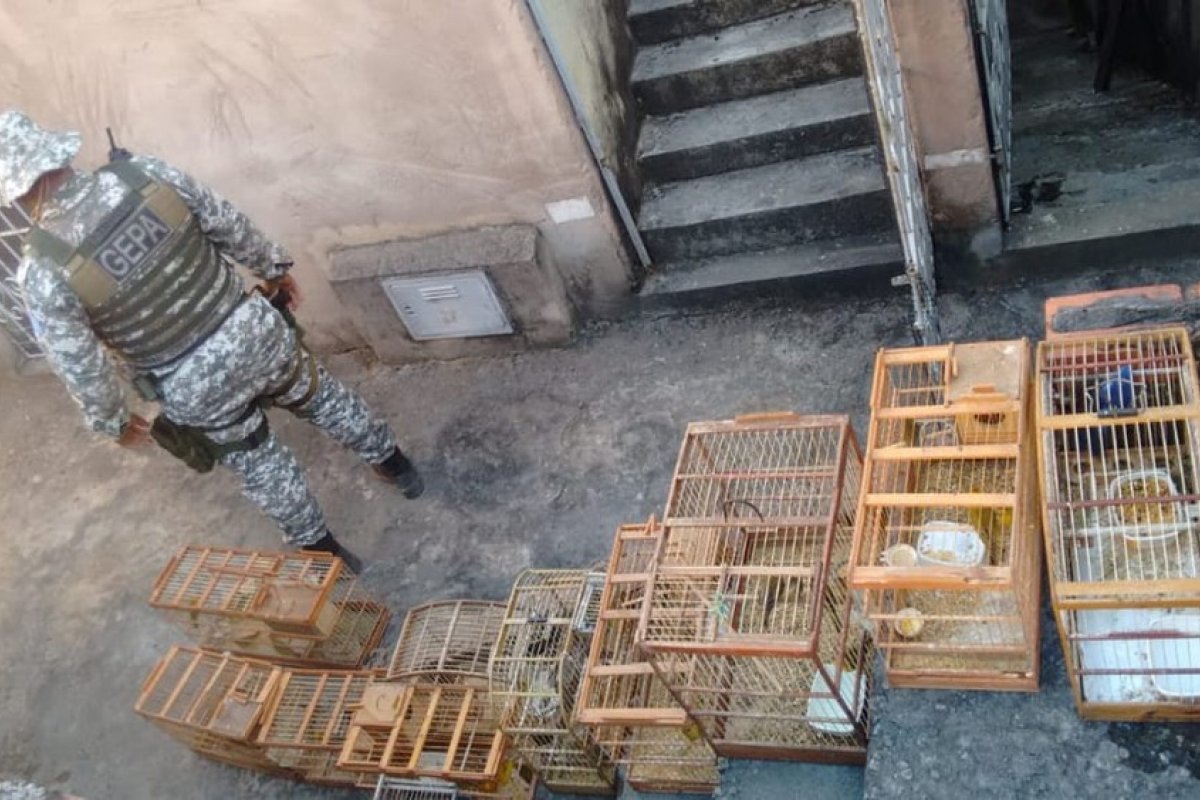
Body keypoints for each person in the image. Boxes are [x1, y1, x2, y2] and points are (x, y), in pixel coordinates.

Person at [0, 109, 422, 571]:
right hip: (254, 331)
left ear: (17, 191)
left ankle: (330, 556)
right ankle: (399, 469)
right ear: (56, 153)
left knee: (261, 465)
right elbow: (227, 222)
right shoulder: (145, 173)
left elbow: (80, 366)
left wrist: (114, 422)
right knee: (324, 399)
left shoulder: (41, 272)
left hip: (191, 385)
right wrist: (274, 270)